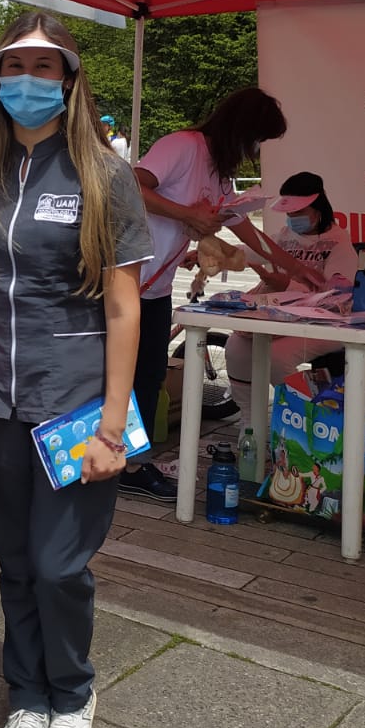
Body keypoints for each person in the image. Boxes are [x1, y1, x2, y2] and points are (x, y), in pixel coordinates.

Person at [0, 11, 152, 728]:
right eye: (13, 69)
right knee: (16, 560)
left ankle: (73, 691)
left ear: (68, 80)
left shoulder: (106, 174)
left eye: (44, 68)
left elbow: (124, 306)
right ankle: (27, 696)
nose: (27, 83)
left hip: (74, 404)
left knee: (62, 564)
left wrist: (110, 424)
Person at [127, 86, 288, 501]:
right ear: (241, 128)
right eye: (257, 140)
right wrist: (187, 216)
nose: (256, 151)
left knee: (147, 376)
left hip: (156, 288)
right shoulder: (183, 146)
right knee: (115, 374)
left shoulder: (220, 170)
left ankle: (130, 462)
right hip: (124, 281)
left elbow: (242, 226)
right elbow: (130, 186)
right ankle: (106, 460)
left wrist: (292, 267)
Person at [223, 171, 359, 389]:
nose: (294, 218)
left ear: (319, 208)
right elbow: (252, 250)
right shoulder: (285, 235)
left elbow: (336, 299)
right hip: (282, 319)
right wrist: (215, 254)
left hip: (325, 323)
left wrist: (286, 285)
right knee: (236, 348)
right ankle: (249, 417)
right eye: (290, 212)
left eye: (299, 211)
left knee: (276, 357)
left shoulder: (339, 243)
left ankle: (307, 414)